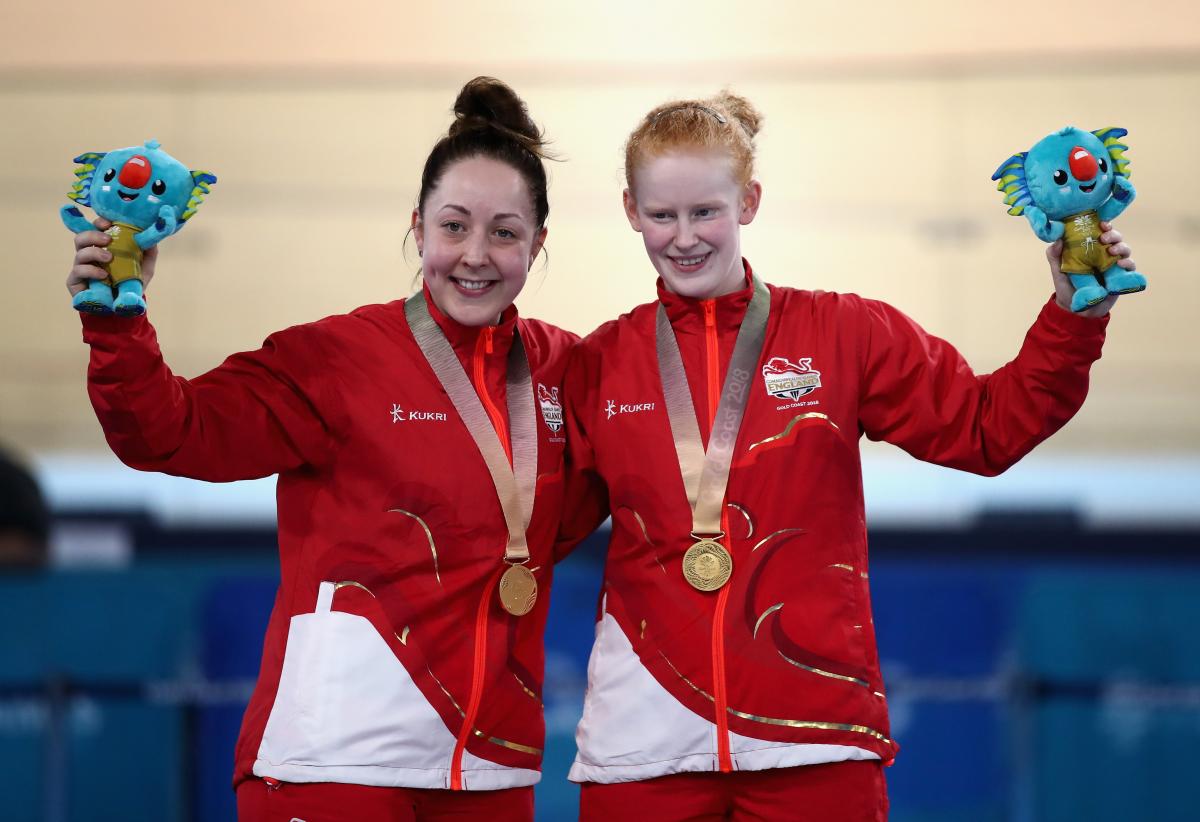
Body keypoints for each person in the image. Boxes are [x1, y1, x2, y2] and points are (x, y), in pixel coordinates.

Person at [558, 92, 1135, 821]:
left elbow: (988, 428)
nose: (684, 238)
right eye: (662, 216)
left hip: (816, 739)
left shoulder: (843, 334)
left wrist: (1073, 319)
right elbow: (533, 524)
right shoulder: (599, 365)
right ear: (630, 211)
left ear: (749, 201)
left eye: (705, 211)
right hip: (642, 743)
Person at [68, 77, 575, 822]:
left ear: (537, 242)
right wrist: (117, 330)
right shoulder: (338, 359)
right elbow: (171, 430)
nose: (475, 255)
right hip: (334, 762)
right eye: (454, 226)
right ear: (417, 227)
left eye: (504, 232)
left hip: (490, 769)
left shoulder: (567, 372)